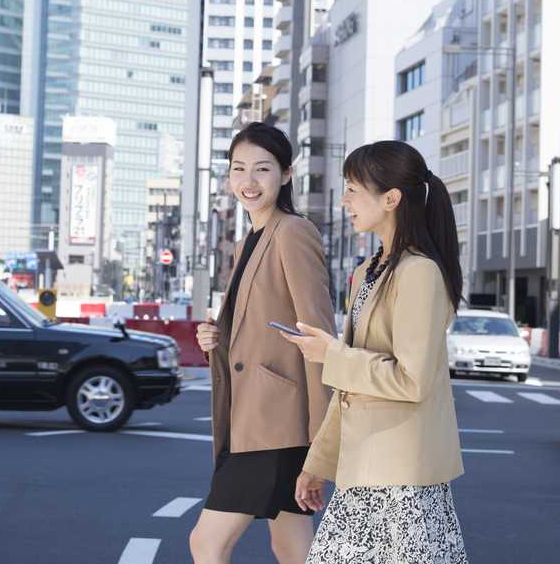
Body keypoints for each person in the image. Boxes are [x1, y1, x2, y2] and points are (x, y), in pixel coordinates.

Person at [282, 140, 470, 564]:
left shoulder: (419, 273)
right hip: (365, 471)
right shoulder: (370, 270)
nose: (345, 200)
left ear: (391, 198)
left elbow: (411, 379)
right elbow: (350, 387)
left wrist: (332, 355)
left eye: (352, 188)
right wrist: (318, 463)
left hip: (401, 480)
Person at [190, 122, 336, 564]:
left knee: (207, 543)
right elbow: (258, 328)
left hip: (277, 426)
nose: (248, 182)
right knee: (291, 546)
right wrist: (216, 338)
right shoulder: (247, 243)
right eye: (238, 169)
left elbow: (317, 334)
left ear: (286, 174)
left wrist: (321, 439)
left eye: (262, 169)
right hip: (255, 418)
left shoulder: (292, 232)